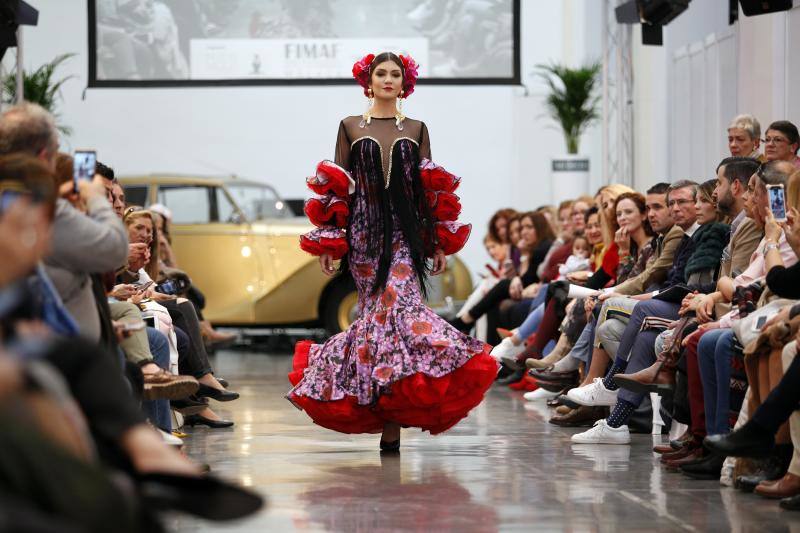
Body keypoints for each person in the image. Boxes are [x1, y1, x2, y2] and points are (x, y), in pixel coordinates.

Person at [287, 52, 498, 451]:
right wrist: (330, 244)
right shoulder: (350, 126)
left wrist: (436, 242)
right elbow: (336, 188)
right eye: (380, 73)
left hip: (406, 234)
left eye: (395, 74)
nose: (387, 79)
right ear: (368, 80)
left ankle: (396, 412)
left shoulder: (417, 128)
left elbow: (428, 189)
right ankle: (388, 416)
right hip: (364, 236)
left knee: (401, 309)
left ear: (406, 82)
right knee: (373, 318)